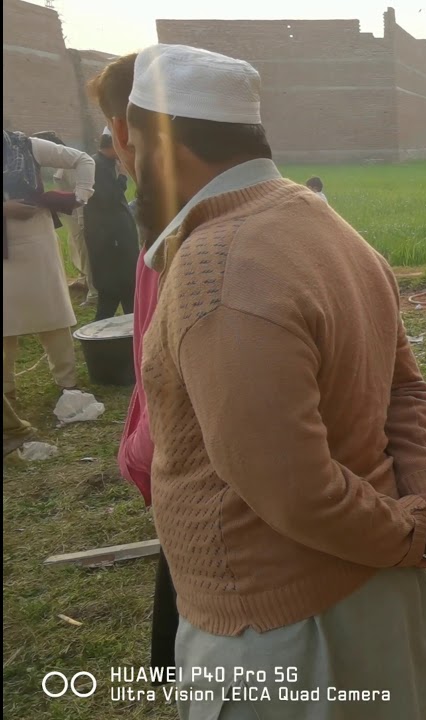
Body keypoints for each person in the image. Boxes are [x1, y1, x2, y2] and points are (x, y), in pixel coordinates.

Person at [127, 44, 426, 719]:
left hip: (283, 638)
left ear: (164, 149)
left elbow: (293, 488)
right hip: (371, 593)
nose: (127, 167)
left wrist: (413, 528)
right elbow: (405, 390)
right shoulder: (329, 227)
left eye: (132, 147)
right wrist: (423, 499)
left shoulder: (218, 271)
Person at [86, 49, 174, 680]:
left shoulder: (180, 237)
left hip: (187, 477)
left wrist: (140, 456)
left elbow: (163, 377)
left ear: (123, 132)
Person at [3, 127, 93, 403]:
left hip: (36, 239)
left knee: (52, 312)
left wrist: (81, 195)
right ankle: (6, 390)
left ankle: (67, 382)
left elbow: (82, 159)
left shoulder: (26, 145)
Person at [32, 131, 94, 305]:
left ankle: (94, 293)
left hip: (77, 216)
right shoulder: (60, 166)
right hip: (69, 218)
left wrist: (81, 220)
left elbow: (80, 194)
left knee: (84, 254)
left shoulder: (70, 165)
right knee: (75, 249)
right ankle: (84, 281)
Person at [84, 130, 140, 321]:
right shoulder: (97, 166)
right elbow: (109, 199)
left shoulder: (104, 164)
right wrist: (123, 177)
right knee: (116, 291)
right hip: (111, 241)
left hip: (116, 239)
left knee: (124, 293)